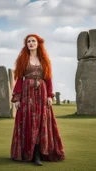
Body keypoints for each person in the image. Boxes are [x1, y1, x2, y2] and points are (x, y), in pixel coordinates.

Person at [10, 34, 65, 166]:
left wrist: (49, 96)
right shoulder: (23, 59)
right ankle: (30, 153)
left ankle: (39, 154)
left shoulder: (44, 60)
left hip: (42, 94)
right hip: (27, 95)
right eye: (28, 41)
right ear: (26, 44)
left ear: (38, 43)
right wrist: (17, 98)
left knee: (41, 123)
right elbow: (19, 80)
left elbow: (48, 78)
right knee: (29, 121)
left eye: (33, 41)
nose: (31, 43)